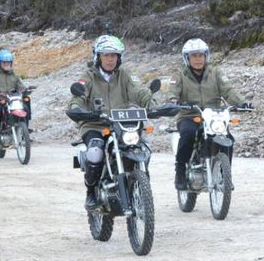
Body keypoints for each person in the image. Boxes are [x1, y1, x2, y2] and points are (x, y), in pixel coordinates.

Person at [67, 35, 154, 210]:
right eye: (106, 55)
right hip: (95, 124)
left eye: (113, 55)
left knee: (142, 147)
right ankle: (91, 191)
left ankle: (139, 186)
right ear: (98, 57)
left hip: (122, 123)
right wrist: (78, 108)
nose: (110, 59)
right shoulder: (89, 76)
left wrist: (152, 104)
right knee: (95, 151)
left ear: (119, 57)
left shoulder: (125, 75)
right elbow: (78, 96)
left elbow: (139, 91)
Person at [169, 38, 251, 191]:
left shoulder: (216, 73)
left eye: (201, 55)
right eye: (194, 56)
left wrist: (241, 102)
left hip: (213, 116)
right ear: (187, 58)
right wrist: (174, 101)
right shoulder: (179, 75)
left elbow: (228, 90)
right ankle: (180, 170)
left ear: (206, 56)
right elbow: (173, 92)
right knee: (188, 134)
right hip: (189, 115)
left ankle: (224, 175)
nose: (198, 59)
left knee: (228, 138)